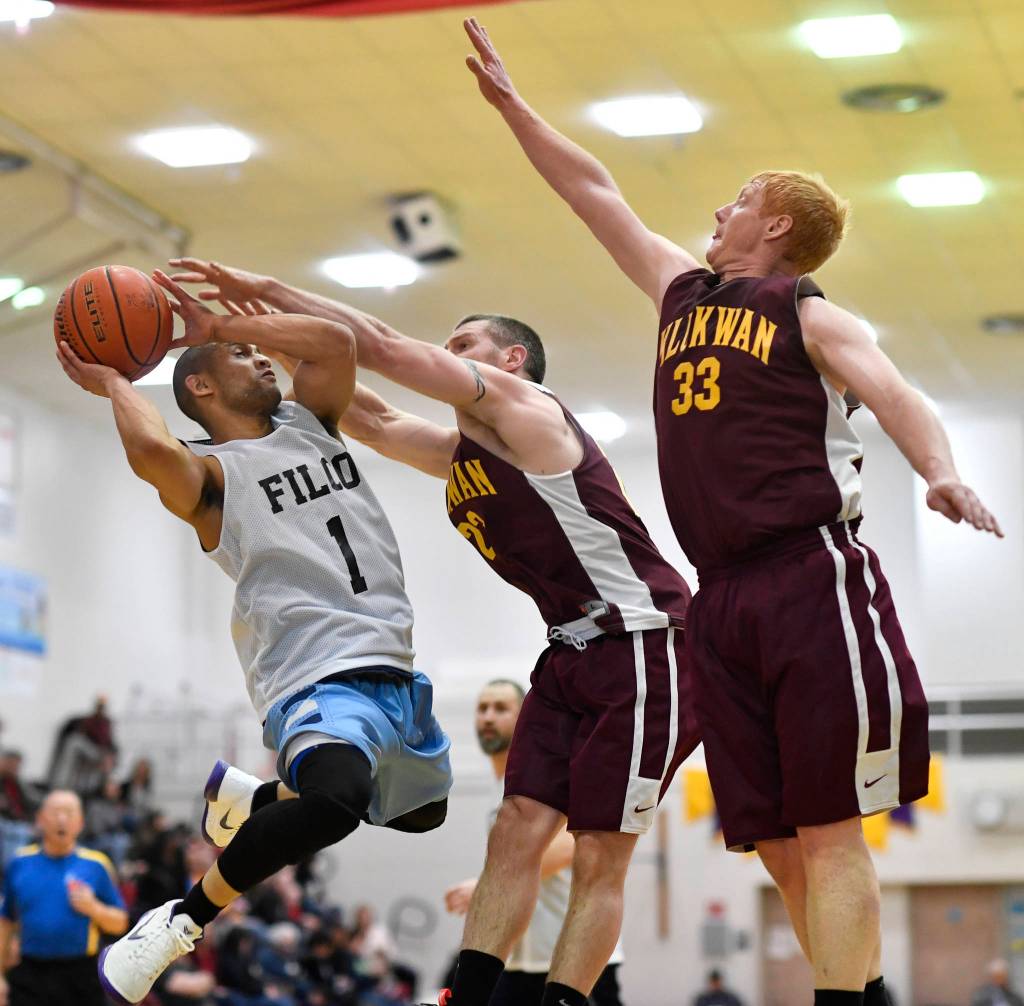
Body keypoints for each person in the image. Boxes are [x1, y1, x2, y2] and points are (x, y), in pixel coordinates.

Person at [459, 16, 1003, 1006]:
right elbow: (594, 194)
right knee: (777, 846)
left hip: (809, 573)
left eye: (738, 199)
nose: (718, 208)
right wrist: (513, 108)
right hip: (717, 599)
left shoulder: (807, 311)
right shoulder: (679, 291)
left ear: (777, 226)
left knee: (832, 834)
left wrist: (938, 468)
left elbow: (894, 391)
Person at [167, 259, 696, 1006]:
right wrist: (271, 329)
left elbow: (373, 341)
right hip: (570, 648)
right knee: (514, 826)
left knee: (600, 854)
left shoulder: (530, 410)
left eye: (466, 343)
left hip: (644, 638)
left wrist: (240, 311)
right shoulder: (464, 454)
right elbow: (368, 411)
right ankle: (466, 997)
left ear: (512, 362)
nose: (450, 354)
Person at [55, 273, 452, 1004]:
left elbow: (334, 343)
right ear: (202, 390)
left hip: (393, 666)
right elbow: (149, 452)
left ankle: (255, 798)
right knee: (335, 803)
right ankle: (179, 919)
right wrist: (116, 378)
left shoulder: (312, 423)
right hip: (314, 675)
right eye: (241, 356)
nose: (261, 359)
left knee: (425, 812)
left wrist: (217, 326)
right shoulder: (212, 477)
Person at [445, 679, 624, 1006]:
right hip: (519, 963)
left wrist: (485, 887)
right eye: (482, 708)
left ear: (524, 716)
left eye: (500, 708)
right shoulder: (497, 786)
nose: (487, 717)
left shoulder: (548, 773)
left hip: (573, 964)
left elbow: (571, 845)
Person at [0, 790, 128, 1006]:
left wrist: (94, 908)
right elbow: (5, 922)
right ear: (40, 819)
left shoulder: (97, 864)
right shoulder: (19, 863)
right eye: (55, 812)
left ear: (80, 823)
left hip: (81, 974)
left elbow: (121, 923)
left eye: (69, 813)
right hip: (30, 973)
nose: (62, 819)